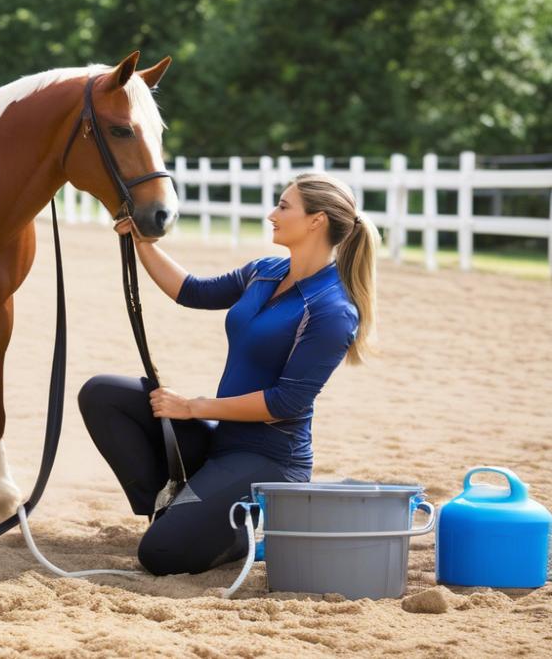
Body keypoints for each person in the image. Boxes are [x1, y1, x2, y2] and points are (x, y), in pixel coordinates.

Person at [78, 172, 379, 576]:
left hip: (270, 460)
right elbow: (192, 291)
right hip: (223, 441)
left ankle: (237, 534)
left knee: (159, 556)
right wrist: (141, 239)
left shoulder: (332, 309)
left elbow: (284, 404)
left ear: (316, 220)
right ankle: (172, 506)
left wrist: (191, 406)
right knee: (103, 394)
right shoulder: (266, 271)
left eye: (284, 206)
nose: (272, 214)